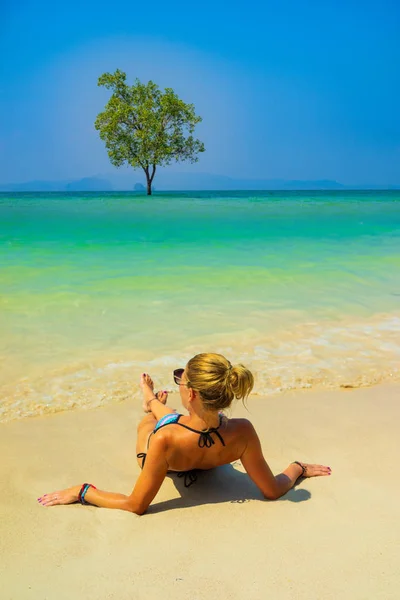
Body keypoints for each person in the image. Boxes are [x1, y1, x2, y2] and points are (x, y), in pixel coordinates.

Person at [37, 353, 331, 514]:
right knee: (171, 418)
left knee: (149, 425)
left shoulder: (165, 438)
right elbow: (272, 490)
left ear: (190, 392)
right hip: (205, 443)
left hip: (168, 458)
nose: (178, 381)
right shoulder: (243, 431)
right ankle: (150, 399)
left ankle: (149, 401)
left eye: (181, 378)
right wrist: (297, 468)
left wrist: (84, 491)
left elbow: (135, 505)